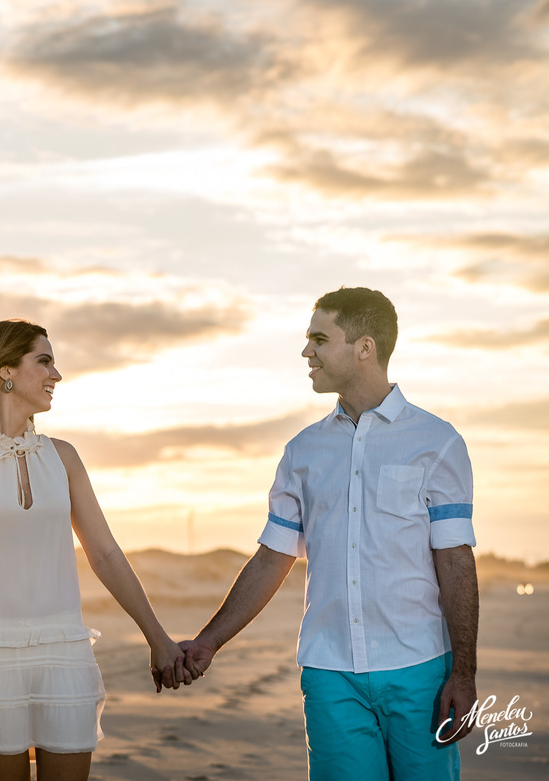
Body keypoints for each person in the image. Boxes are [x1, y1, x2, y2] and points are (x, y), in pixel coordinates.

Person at [178, 287, 479, 780]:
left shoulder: (438, 442)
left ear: (365, 347)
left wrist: (463, 673)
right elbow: (272, 559)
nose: (306, 352)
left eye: (320, 338)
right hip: (329, 672)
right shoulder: (303, 451)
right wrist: (210, 641)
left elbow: (455, 560)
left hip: (420, 669)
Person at [0, 319, 191, 781]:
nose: (56, 375)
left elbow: (105, 554)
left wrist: (157, 637)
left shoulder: (63, 457)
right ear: (6, 372)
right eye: (44, 361)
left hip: (64, 652)